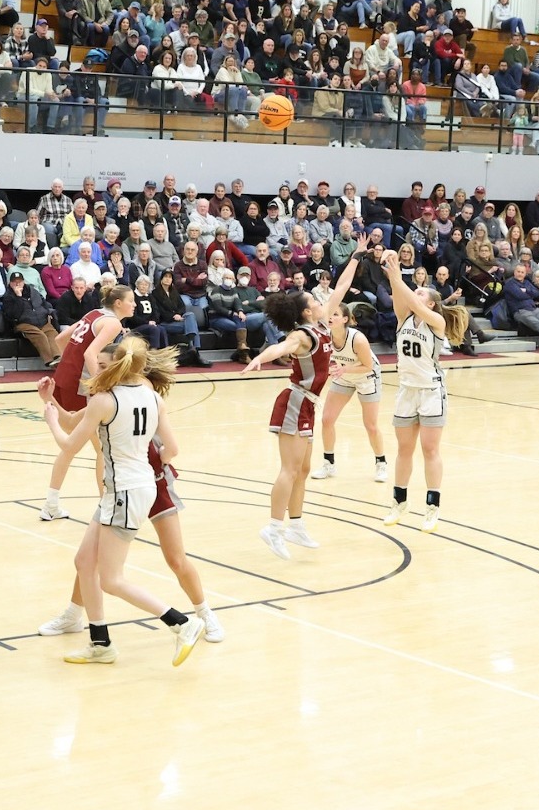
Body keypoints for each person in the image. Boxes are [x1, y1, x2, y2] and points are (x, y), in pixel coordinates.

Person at [37, 336, 206, 666]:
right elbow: (171, 450)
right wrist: (53, 402)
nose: (95, 370)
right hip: (137, 487)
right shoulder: (152, 397)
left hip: (124, 492)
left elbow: (68, 443)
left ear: (117, 365)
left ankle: (182, 623)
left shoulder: (105, 400)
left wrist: (50, 421)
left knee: (111, 579)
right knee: (85, 563)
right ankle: (100, 643)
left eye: (100, 365)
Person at [242, 230, 375, 559]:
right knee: (289, 469)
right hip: (295, 401)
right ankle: (272, 528)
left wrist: (357, 255)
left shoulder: (324, 323)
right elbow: (281, 346)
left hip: (309, 404)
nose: (320, 301)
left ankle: (296, 524)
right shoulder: (303, 334)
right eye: (314, 302)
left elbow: (342, 286)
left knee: (303, 469)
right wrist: (260, 357)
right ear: (306, 312)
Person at [39, 283, 134, 520]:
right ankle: (107, 507)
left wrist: (69, 366)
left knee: (74, 444)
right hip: (80, 386)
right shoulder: (112, 323)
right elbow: (90, 354)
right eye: (131, 300)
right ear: (119, 303)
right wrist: (104, 385)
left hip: (64, 379)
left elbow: (61, 339)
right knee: (100, 448)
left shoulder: (93, 314)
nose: (134, 304)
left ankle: (51, 504)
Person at [378, 250, 449, 531]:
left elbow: (413, 303)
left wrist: (396, 273)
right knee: (404, 450)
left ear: (431, 303)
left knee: (430, 450)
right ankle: (399, 502)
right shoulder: (403, 318)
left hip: (431, 392)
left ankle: (432, 508)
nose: (415, 295)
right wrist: (394, 272)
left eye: (421, 293)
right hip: (407, 391)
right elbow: (400, 295)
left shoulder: (436, 322)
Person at [311, 301, 387, 482]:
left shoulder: (357, 339)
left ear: (345, 319)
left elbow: (368, 366)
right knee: (327, 420)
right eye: (330, 314)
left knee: (371, 425)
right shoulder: (325, 336)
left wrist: (344, 369)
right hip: (344, 374)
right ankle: (329, 465)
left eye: (336, 314)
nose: (330, 317)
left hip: (366, 377)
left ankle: (381, 464)